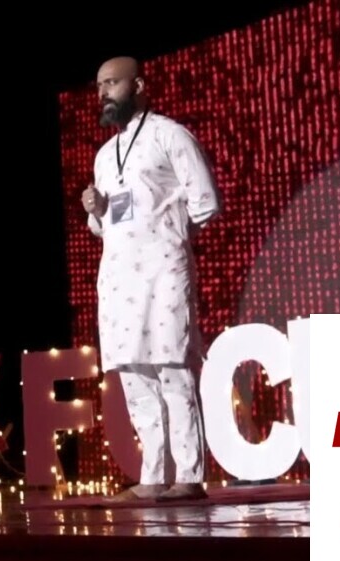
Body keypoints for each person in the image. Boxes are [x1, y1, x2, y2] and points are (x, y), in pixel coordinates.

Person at [81, 56, 221, 502]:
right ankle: (152, 476)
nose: (103, 93)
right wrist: (98, 211)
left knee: (172, 367)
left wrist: (168, 235)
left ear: (139, 85)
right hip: (118, 277)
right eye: (99, 85)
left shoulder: (169, 134)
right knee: (134, 375)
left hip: (163, 272)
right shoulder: (105, 155)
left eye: (112, 83)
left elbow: (205, 202)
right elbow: (105, 224)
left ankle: (189, 476)